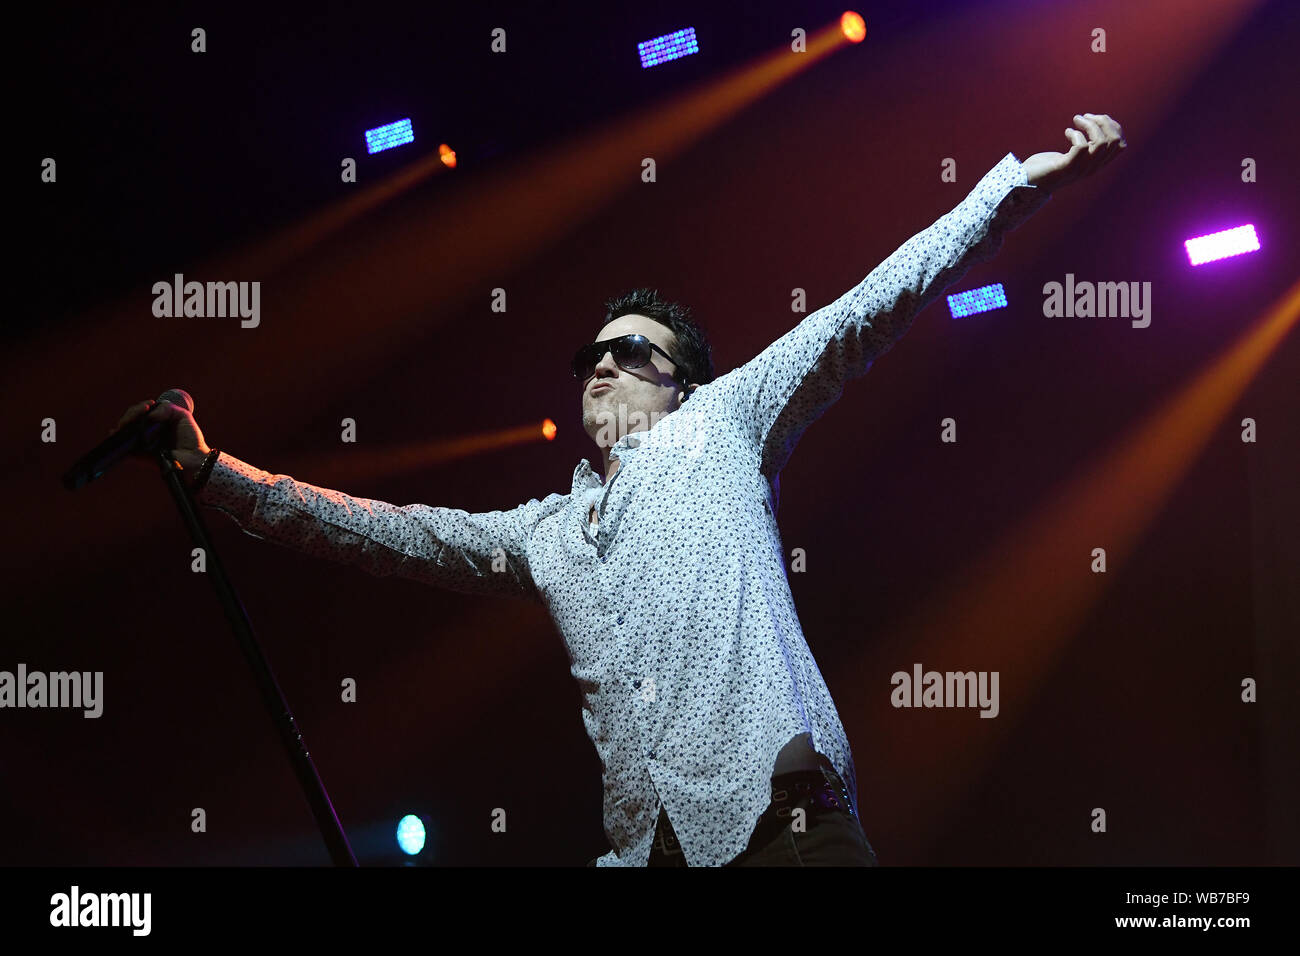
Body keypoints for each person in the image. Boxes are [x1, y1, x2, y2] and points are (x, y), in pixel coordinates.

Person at [113, 114, 1126, 866]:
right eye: (588, 353)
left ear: (675, 378)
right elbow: (388, 532)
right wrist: (216, 474)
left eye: (627, 349)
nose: (597, 365)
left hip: (782, 827)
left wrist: (1026, 182)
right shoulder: (545, 534)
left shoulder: (721, 422)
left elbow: (872, 304)